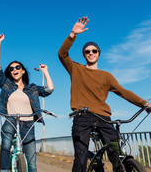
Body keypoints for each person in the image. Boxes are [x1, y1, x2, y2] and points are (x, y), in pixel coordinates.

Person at [58, 17, 151, 172]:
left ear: (99, 53)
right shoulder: (76, 69)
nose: (91, 53)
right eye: (87, 51)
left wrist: (144, 104)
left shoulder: (106, 76)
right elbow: (62, 54)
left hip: (104, 118)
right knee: (81, 159)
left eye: (94, 51)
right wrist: (72, 34)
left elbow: (123, 92)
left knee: (117, 155)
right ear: (84, 55)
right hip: (82, 116)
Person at [0, 34, 54, 172]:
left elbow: (49, 89)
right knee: (5, 145)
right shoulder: (6, 84)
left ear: (23, 70)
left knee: (31, 163)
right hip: (11, 121)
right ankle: (4, 170)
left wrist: (45, 71)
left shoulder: (32, 88)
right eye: (11, 69)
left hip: (28, 123)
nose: (14, 70)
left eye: (17, 67)